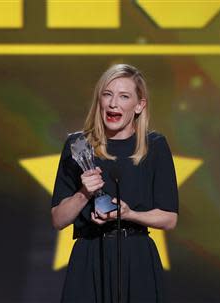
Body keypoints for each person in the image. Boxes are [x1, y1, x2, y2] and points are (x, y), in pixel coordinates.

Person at [51, 64, 179, 303]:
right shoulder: (77, 146)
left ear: (139, 105)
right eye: (107, 94)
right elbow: (58, 219)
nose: (113, 104)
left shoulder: (155, 147)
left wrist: (129, 214)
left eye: (124, 96)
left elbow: (169, 218)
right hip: (89, 256)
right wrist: (83, 193)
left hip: (137, 257)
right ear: (99, 100)